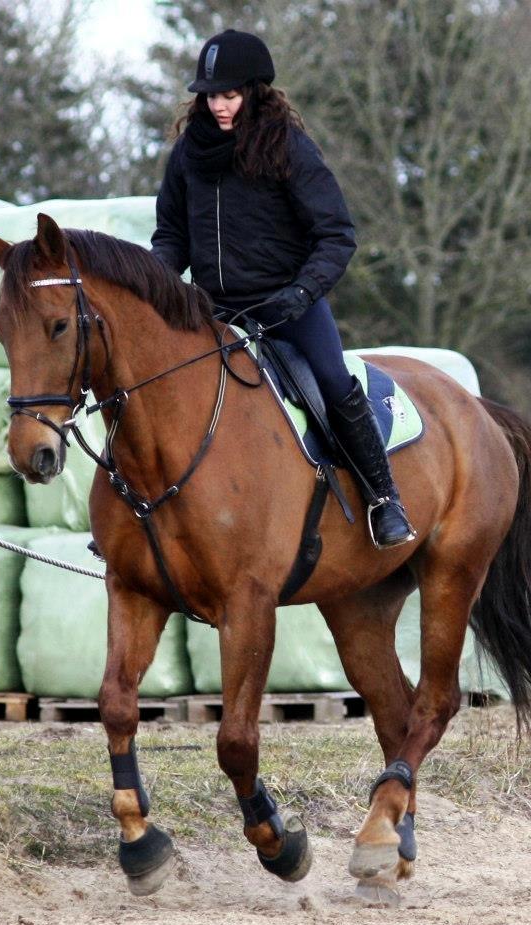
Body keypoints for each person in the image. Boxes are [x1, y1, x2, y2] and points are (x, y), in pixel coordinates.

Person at [151, 28, 414, 548]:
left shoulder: (287, 147)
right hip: (214, 308)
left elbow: (336, 235)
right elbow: (172, 236)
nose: (219, 105)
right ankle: (142, 507)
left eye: (228, 95)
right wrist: (157, 282)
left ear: (254, 91)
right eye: (210, 95)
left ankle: (384, 500)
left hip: (287, 305)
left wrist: (302, 292)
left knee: (333, 381)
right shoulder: (187, 156)